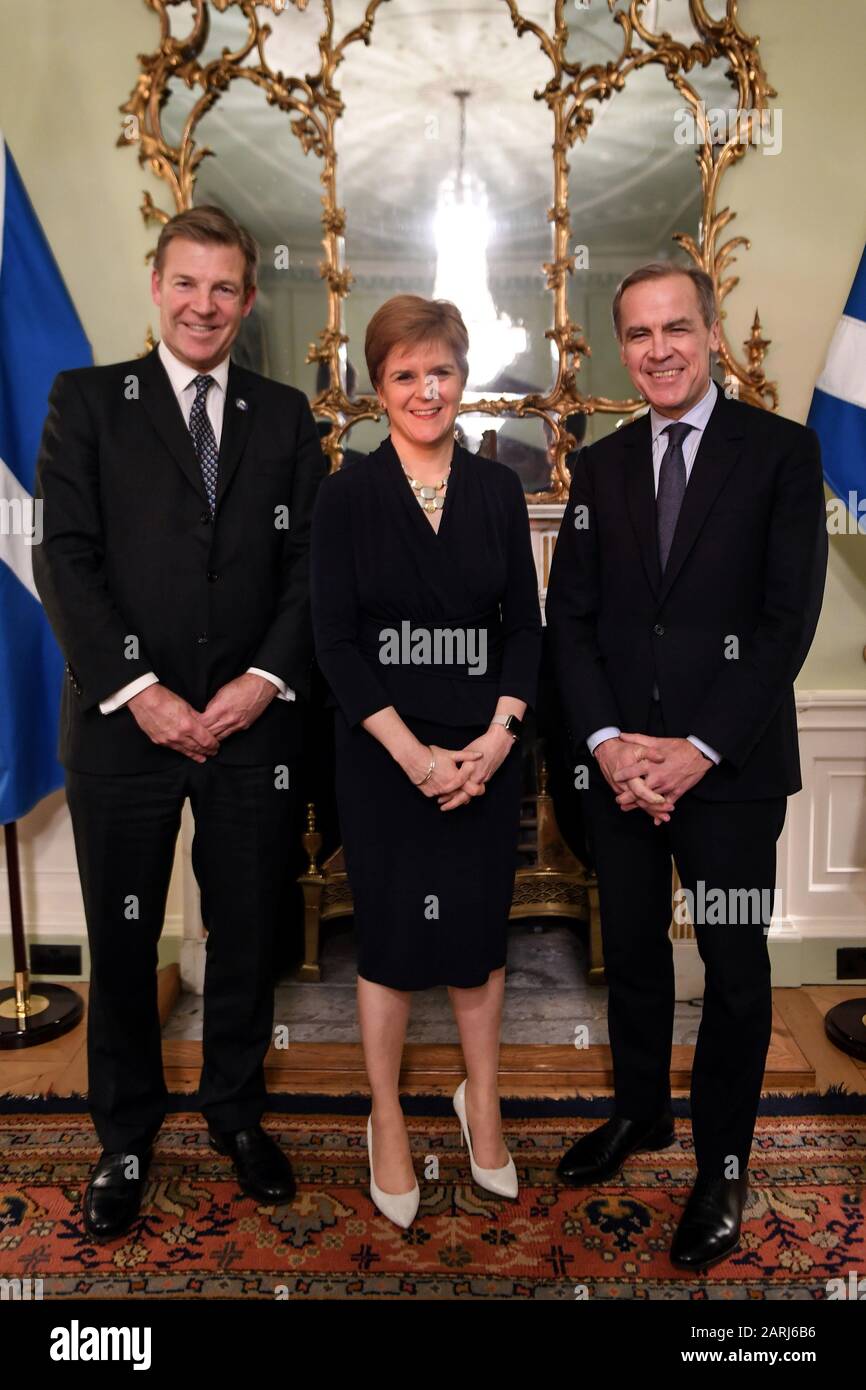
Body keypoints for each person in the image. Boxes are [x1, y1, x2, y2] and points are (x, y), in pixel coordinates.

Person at [32, 205, 327, 1240]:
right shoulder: (88, 402)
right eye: (186, 283)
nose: (204, 304)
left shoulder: (286, 415)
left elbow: (309, 572)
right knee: (122, 946)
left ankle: (237, 1114)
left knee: (248, 938)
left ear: (246, 301)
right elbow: (63, 559)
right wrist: (143, 692)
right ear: (156, 286)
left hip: (253, 731)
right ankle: (124, 1135)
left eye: (224, 288)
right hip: (123, 730)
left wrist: (258, 681)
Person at [545, 262, 827, 1270]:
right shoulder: (602, 464)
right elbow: (568, 624)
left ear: (708, 331)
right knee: (628, 955)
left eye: (674, 326)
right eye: (636, 332)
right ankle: (637, 1114)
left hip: (731, 771)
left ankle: (720, 1162)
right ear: (618, 347)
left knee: (735, 971)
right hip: (619, 773)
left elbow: (782, 619)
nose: (657, 347)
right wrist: (609, 746)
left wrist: (696, 748)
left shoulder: (783, 455)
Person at [310, 295, 542, 1228]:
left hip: (484, 760)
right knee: (394, 945)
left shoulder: (497, 490)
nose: (425, 389)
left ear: (463, 377)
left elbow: (524, 629)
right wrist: (414, 758)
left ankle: (478, 1102)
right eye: (404, 374)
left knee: (479, 941)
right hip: (383, 759)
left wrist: (493, 743)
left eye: (440, 370)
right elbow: (335, 642)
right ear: (379, 389)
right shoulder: (346, 494)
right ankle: (387, 1115)